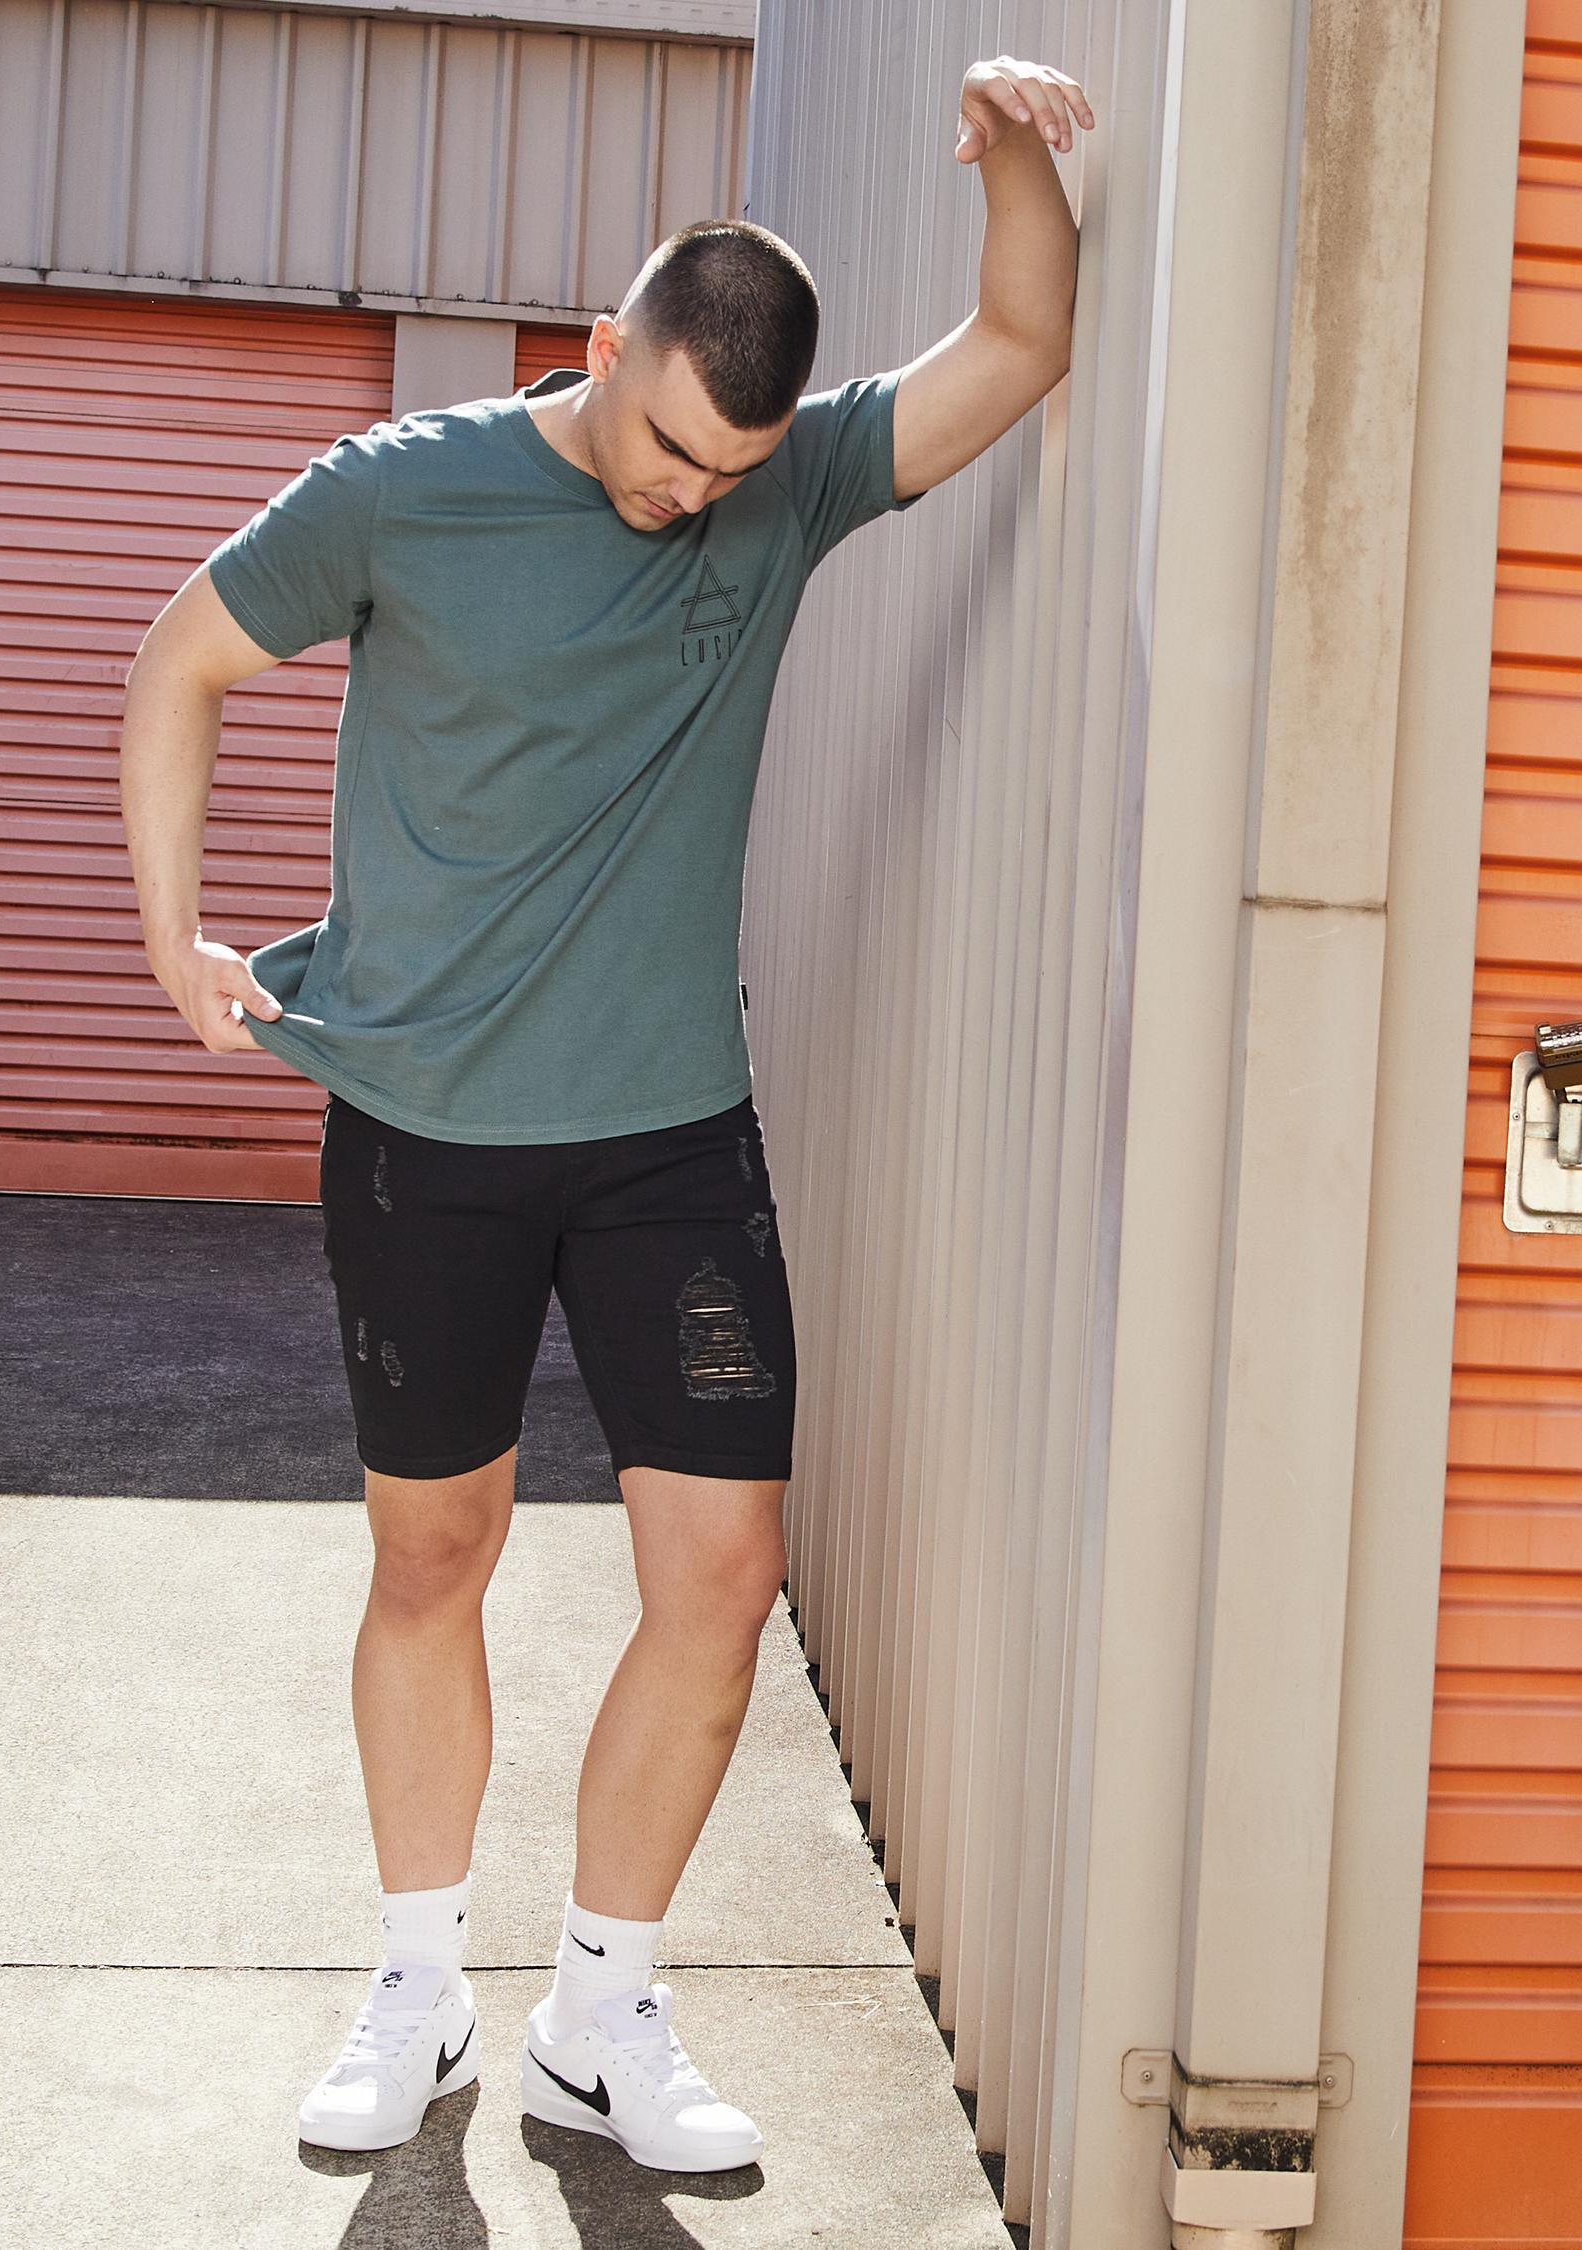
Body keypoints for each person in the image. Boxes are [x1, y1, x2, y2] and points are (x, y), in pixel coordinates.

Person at [118, 52, 1086, 2176]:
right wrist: (175, 933)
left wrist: (1013, 151)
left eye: (730, 468)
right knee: (434, 1553)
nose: (689, 496)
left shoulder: (786, 486)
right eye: (666, 448)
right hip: (427, 1131)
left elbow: (1022, 340)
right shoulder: (404, 492)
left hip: (668, 1137)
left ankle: (602, 2008)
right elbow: (180, 659)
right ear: (600, 349)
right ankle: (416, 1985)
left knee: (724, 1570)